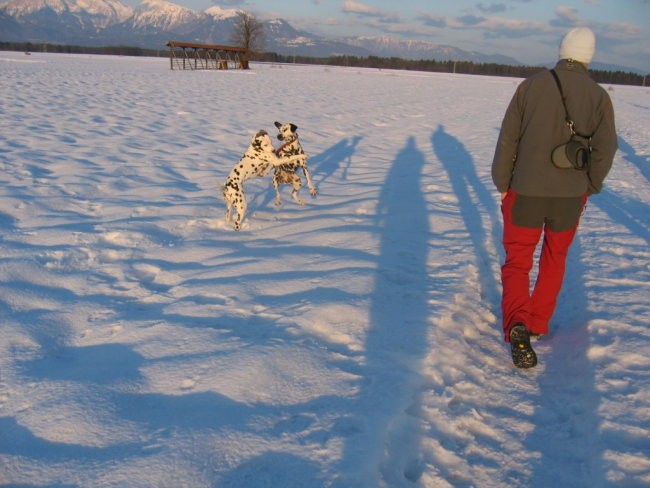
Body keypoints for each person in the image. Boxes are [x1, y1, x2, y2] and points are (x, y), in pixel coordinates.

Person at [491, 27, 618, 369]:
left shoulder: (530, 85)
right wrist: (589, 184)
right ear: (588, 56)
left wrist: (502, 181)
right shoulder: (599, 96)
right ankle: (536, 323)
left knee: (518, 259)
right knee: (555, 257)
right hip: (569, 197)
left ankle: (517, 322)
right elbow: (606, 149)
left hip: (525, 191)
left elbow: (508, 139)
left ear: (562, 51)